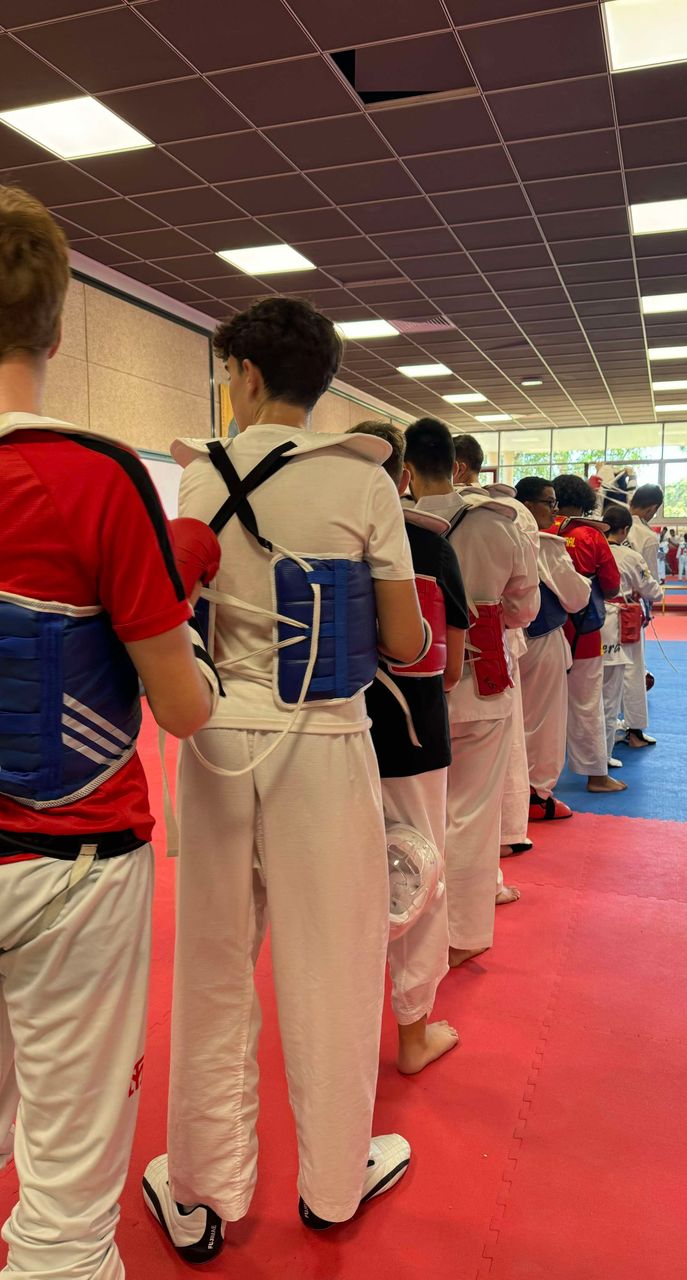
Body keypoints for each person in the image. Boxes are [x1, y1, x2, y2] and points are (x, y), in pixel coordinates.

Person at [143, 297, 426, 1258]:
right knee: (334, 961)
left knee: (213, 964)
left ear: (248, 375)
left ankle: (201, 1190)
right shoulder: (363, 481)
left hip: (217, 738)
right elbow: (404, 641)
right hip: (325, 738)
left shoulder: (199, 477)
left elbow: (177, 614)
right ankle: (334, 1184)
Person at [0, 186, 220, 1279]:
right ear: (56, 328)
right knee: (68, 1182)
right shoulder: (93, 476)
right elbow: (179, 708)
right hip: (69, 863)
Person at [351, 421, 468, 1074]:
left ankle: (341, 1028)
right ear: (403, 476)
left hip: (329, 738)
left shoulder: (315, 537)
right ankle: (414, 1036)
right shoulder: (425, 541)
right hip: (413, 736)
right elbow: (450, 666)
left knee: (339, 879)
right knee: (420, 873)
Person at [403, 418, 539, 968]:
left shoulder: (392, 523)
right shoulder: (499, 524)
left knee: (414, 814)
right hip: (484, 683)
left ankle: (410, 927)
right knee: (473, 814)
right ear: (457, 465)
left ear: (407, 469)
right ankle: (463, 934)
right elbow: (524, 610)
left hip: (412, 683)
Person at [451, 436, 537, 888]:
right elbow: (524, 608)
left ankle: (421, 890)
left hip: (416, 665)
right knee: (480, 791)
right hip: (487, 659)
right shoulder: (505, 519)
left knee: (421, 796)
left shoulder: (401, 515)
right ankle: (488, 875)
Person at [514, 478, 591, 820]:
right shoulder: (544, 544)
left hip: (499, 640)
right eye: (549, 502)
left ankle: (512, 796)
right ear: (528, 505)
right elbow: (577, 597)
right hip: (540, 637)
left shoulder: (489, 531)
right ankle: (537, 795)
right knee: (544, 721)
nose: (555, 510)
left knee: (510, 721)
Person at [552, 476, 623, 794]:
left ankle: (534, 784)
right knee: (586, 702)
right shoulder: (591, 535)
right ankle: (596, 775)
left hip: (539, 632)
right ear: (585, 501)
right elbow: (611, 586)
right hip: (583, 632)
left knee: (536, 707)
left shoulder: (539, 528)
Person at [600, 505, 662, 767]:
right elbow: (653, 591)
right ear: (625, 530)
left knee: (594, 685)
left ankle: (604, 741)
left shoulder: (593, 550)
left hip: (591, 622)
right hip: (623, 620)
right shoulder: (630, 556)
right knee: (630, 674)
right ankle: (629, 733)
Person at [627, 484, 663, 580]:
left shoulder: (606, 523)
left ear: (631, 502)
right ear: (653, 509)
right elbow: (649, 576)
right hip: (631, 586)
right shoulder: (648, 537)